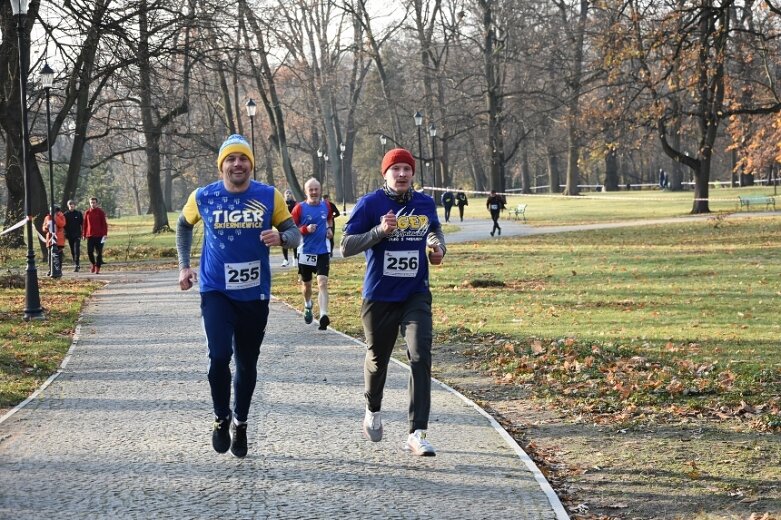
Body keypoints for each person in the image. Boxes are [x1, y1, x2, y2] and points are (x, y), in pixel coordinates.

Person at [176, 134, 301, 458]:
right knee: (219, 356)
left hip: (254, 295)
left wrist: (281, 236)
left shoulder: (269, 196)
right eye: (230, 159)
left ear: (250, 164)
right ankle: (221, 417)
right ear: (222, 166)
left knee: (246, 364)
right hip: (216, 290)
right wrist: (184, 266)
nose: (237, 164)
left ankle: (241, 423)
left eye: (242, 158)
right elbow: (183, 224)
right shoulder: (204, 196)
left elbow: (295, 234)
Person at [341, 147, 446, 457]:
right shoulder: (370, 204)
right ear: (384, 173)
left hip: (415, 293)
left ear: (413, 174)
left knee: (420, 354)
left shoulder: (424, 204)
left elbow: (434, 231)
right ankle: (372, 408)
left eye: (407, 169)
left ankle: (417, 432)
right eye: (396, 169)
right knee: (377, 359)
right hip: (380, 296)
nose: (402, 174)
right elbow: (346, 245)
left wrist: (439, 248)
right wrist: (379, 231)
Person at [291, 179, 334, 330]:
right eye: (311, 190)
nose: (314, 192)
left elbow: (329, 218)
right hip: (305, 252)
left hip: (322, 251)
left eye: (316, 189)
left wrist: (329, 229)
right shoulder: (299, 208)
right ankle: (308, 304)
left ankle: (323, 315)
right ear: (306, 191)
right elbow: (291, 229)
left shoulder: (326, 205)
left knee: (322, 282)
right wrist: (305, 229)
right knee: (307, 285)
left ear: (320, 189)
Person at [82, 197, 108, 274]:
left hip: (100, 236)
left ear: (96, 203)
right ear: (89, 203)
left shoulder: (100, 212)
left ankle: (98, 267)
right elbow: (85, 224)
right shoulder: (87, 212)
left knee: (99, 253)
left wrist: (105, 234)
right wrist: (84, 234)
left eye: (94, 202)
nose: (93, 204)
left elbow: (104, 224)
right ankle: (93, 263)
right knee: (90, 251)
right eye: (91, 202)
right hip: (90, 235)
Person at [43, 206, 66, 279]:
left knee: (58, 256)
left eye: (54, 211)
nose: (52, 212)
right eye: (51, 211)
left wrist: (56, 217)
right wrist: (47, 226)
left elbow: (62, 224)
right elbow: (43, 228)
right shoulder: (47, 217)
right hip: (50, 239)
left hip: (58, 240)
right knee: (50, 256)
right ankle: (51, 270)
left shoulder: (61, 216)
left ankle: (58, 270)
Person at [63, 200, 84, 272]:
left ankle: (77, 264)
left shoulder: (78, 213)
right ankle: (75, 263)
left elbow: (82, 224)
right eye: (70, 204)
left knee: (76, 249)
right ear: (68, 205)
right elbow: (64, 225)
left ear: (75, 205)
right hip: (69, 235)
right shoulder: (65, 214)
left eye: (73, 204)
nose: (71, 206)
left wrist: (83, 233)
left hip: (77, 234)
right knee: (72, 250)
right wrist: (65, 234)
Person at [281, 189, 298, 267]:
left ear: (292, 195)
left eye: (289, 193)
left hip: (293, 224)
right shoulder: (282, 203)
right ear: (284, 195)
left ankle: (295, 259)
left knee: (294, 241)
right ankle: (285, 260)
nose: (288, 194)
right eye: (286, 193)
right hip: (284, 224)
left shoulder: (295, 203)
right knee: (284, 241)